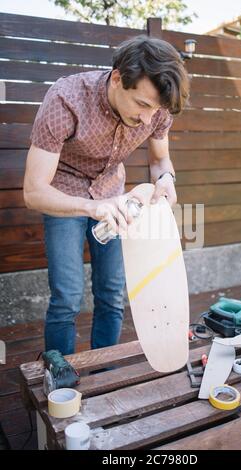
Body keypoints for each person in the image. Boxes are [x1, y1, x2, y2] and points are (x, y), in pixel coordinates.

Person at [23, 35, 190, 356]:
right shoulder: (64, 100)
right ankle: (58, 376)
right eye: (142, 105)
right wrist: (92, 207)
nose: (147, 119)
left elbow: (159, 161)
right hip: (62, 195)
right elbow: (33, 191)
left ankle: (104, 376)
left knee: (112, 294)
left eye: (154, 111)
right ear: (117, 78)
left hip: (114, 195)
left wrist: (167, 178)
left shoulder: (157, 109)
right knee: (67, 298)